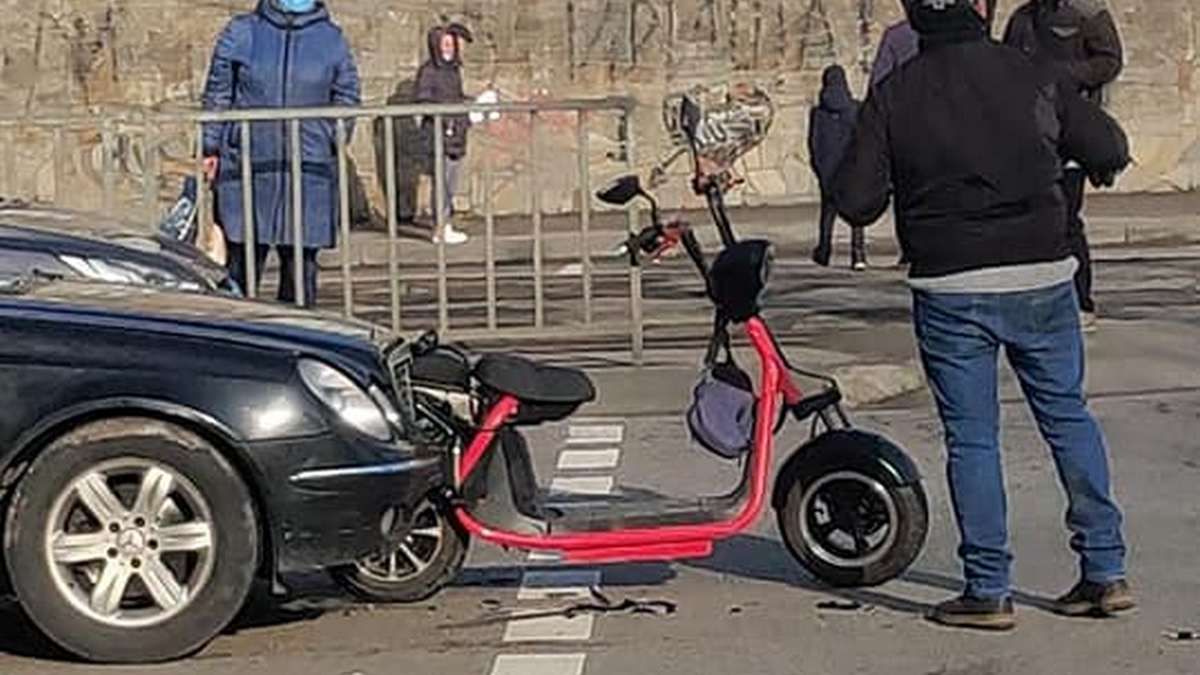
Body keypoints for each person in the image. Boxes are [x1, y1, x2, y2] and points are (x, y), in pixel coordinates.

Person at [835, 0, 1133, 631]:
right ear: (983, 9)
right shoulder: (1031, 72)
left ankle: (988, 589)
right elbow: (1108, 143)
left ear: (914, 15)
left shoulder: (897, 92)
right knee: (1066, 416)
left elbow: (855, 201)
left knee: (973, 437)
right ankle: (1104, 573)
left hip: (950, 281)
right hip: (1042, 270)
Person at [201, 0, 360, 307]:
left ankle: (297, 343)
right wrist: (211, 145)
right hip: (248, 164)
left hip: (307, 168)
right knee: (241, 270)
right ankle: (237, 344)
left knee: (300, 275)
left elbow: (347, 96)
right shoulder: (242, 32)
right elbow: (218, 93)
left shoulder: (332, 39)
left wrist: (330, 137)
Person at [1004, 0, 1124, 330]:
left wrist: (1066, 75)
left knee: (1067, 218)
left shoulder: (1088, 13)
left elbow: (1110, 60)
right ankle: (1036, 300)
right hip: (1029, 132)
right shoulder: (1022, 18)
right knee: (1030, 217)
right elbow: (1004, 62)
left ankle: (1080, 301)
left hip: (1071, 131)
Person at [415, 22, 474, 245]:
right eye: (445, 44)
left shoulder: (454, 70)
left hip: (456, 131)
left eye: (451, 43)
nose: (449, 48)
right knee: (442, 181)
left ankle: (445, 222)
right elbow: (423, 99)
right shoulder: (429, 71)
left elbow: (457, 96)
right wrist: (444, 113)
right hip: (439, 133)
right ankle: (441, 226)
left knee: (451, 180)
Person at [868, 14, 920, 267]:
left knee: (906, 190)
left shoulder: (897, 35)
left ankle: (911, 247)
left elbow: (879, 82)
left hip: (909, 125)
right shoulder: (964, 31)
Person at [808, 65, 866, 270]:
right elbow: (862, 140)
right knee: (856, 212)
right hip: (850, 168)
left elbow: (814, 143)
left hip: (828, 169)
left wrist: (818, 167)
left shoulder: (818, 113)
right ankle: (858, 254)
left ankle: (824, 251)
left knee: (827, 213)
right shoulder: (856, 108)